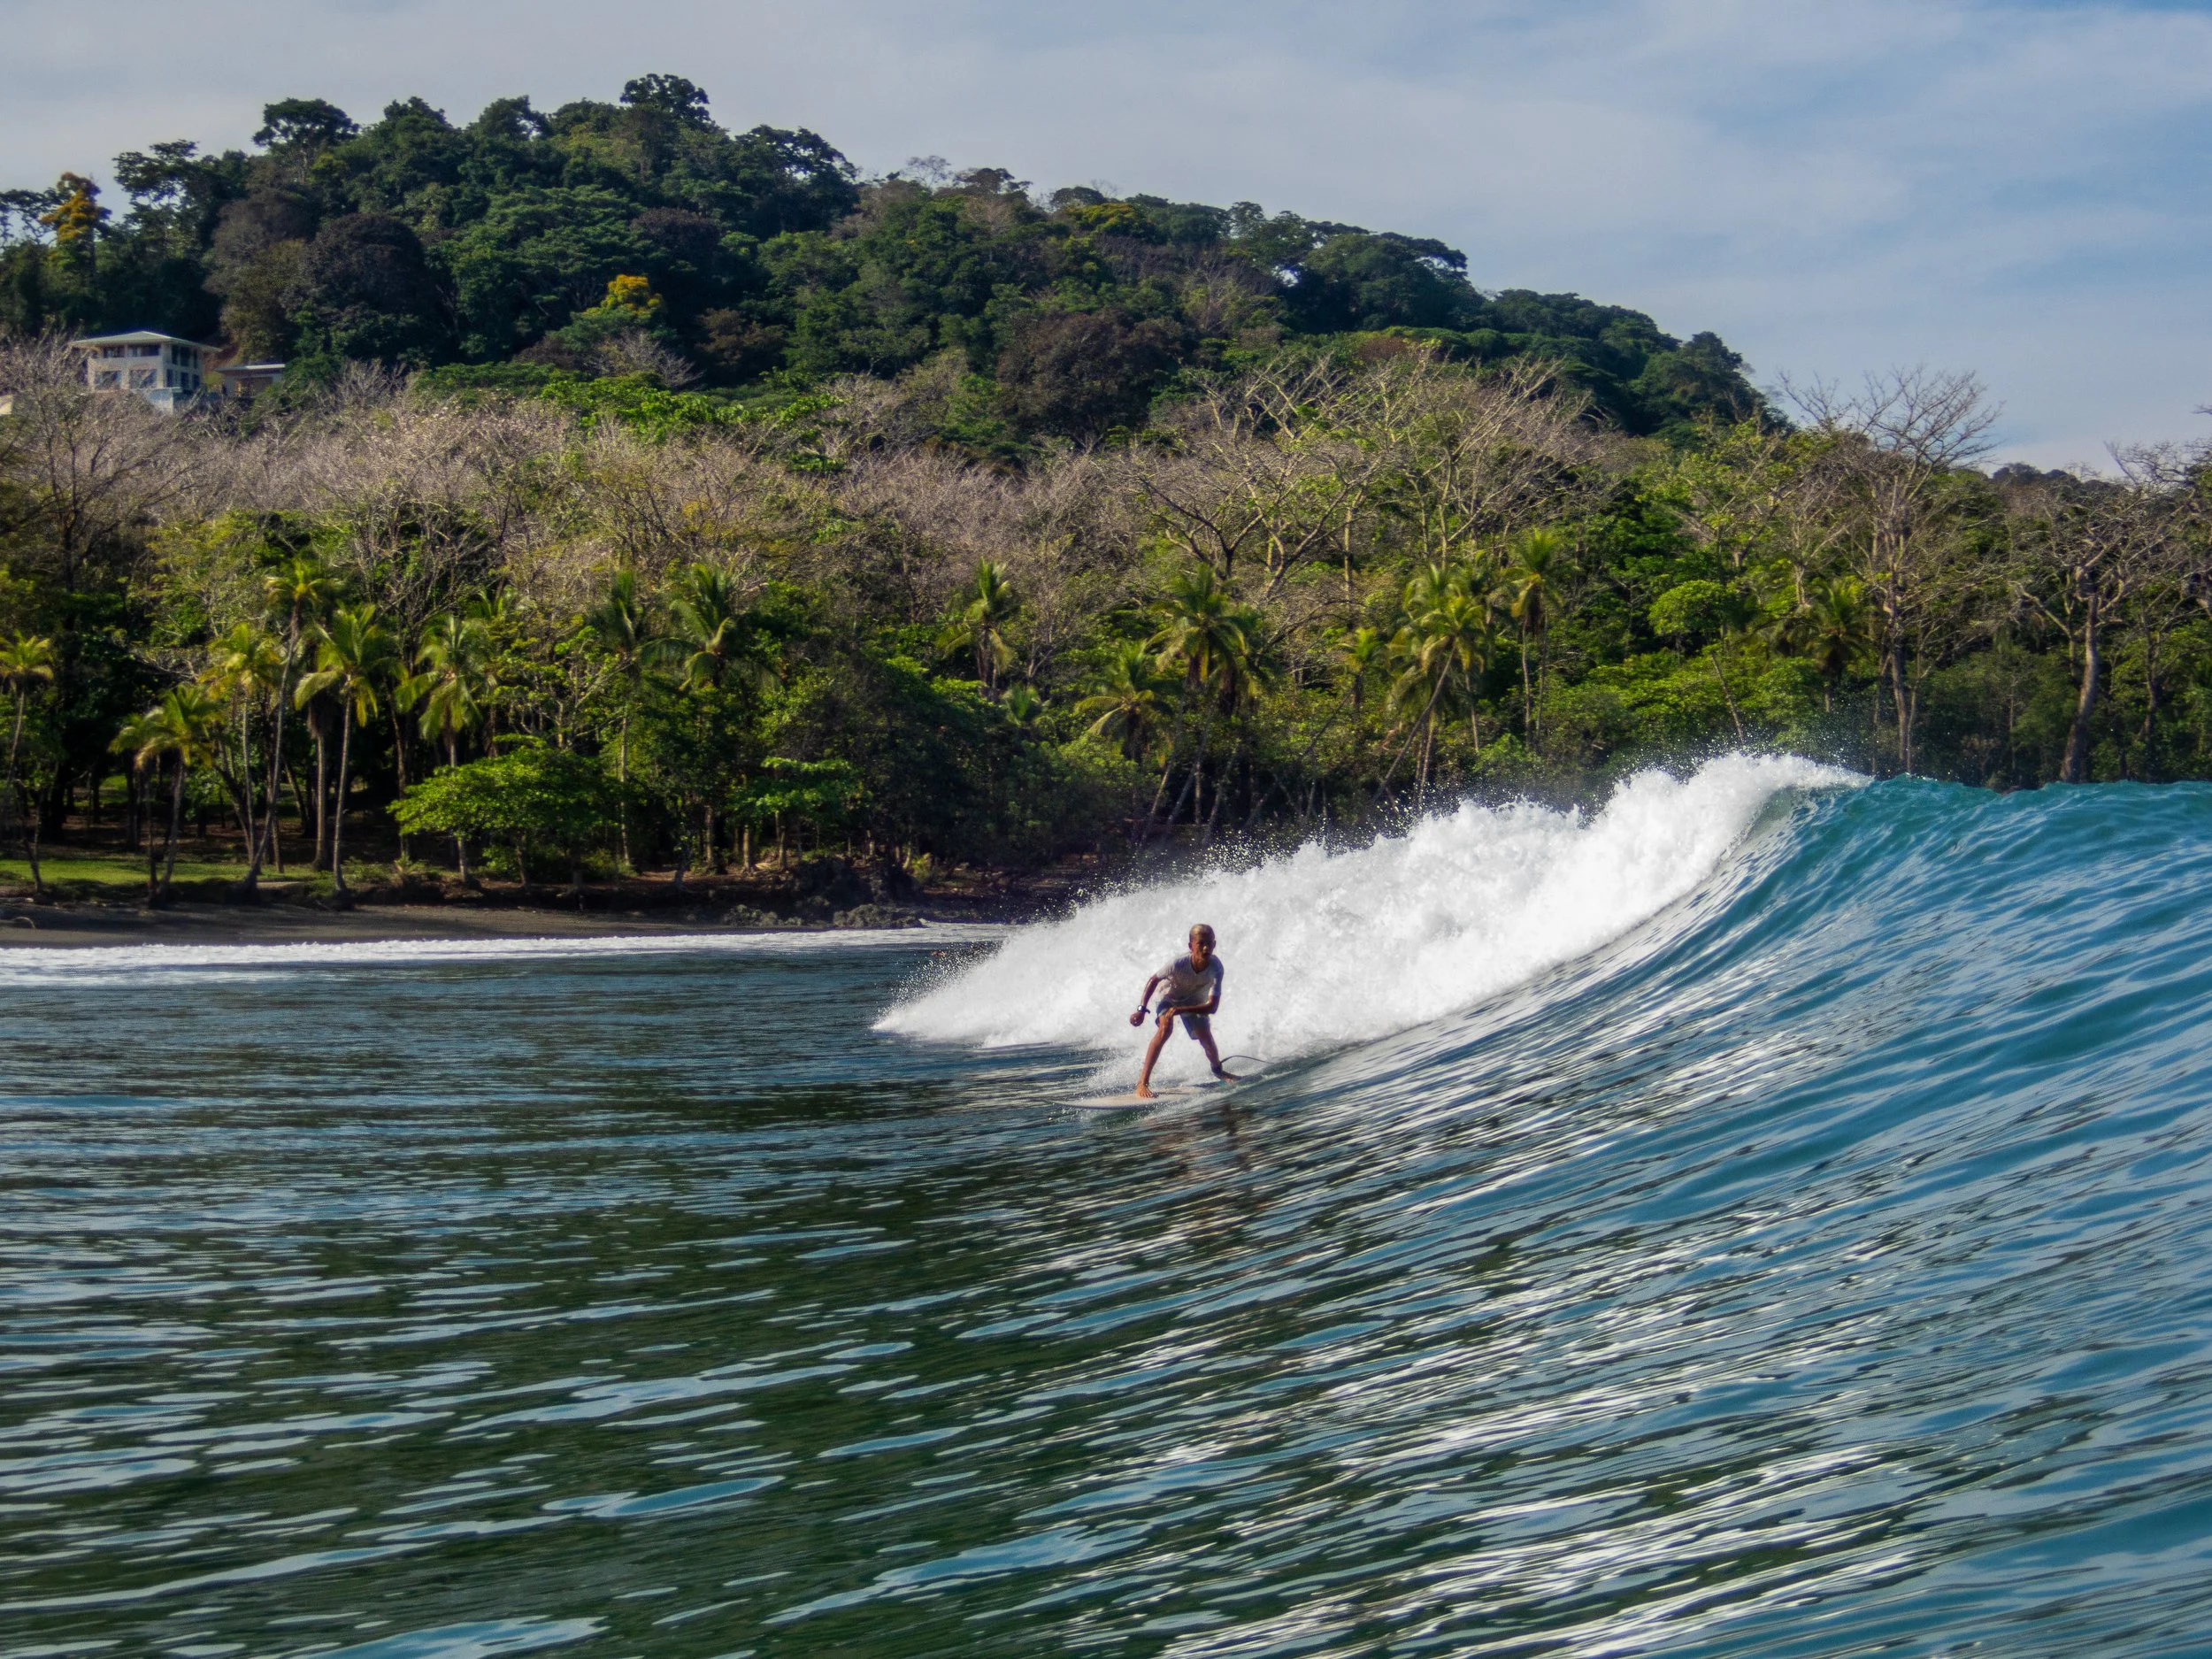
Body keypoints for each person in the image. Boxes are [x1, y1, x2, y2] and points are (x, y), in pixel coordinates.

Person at [1129, 923, 1238, 1098]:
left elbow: (1213, 1007)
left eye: (1209, 943)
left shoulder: (1216, 968)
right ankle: (1142, 1082)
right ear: (1190, 946)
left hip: (1193, 1001)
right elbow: (1153, 980)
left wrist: (1181, 1009)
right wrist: (1141, 1009)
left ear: (1214, 945)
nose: (1205, 947)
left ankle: (1218, 1071)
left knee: (1206, 1037)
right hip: (1168, 997)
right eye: (1200, 943)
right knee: (1165, 1029)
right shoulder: (1178, 963)